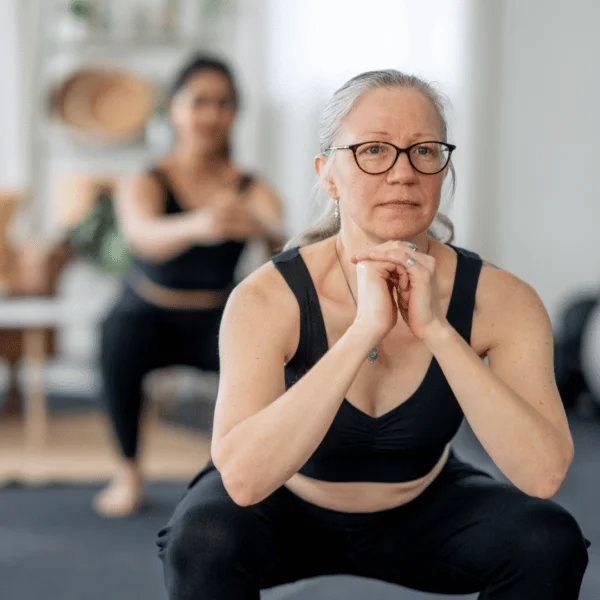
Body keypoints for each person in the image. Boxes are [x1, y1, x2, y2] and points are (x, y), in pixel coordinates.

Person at [156, 70, 589, 598]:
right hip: (281, 511)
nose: (403, 173)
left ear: (442, 167)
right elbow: (244, 481)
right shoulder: (266, 297)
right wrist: (364, 332)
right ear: (328, 174)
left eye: (424, 151)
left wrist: (437, 330)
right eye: (374, 151)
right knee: (202, 538)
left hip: (425, 512)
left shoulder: (502, 299)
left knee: (548, 541)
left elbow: (542, 476)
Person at [94, 55, 285, 518]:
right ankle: (129, 472)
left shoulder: (248, 185)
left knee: (275, 351)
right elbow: (142, 235)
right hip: (148, 312)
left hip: (216, 316)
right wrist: (198, 225)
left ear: (234, 113)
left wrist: (259, 224)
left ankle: (262, 469)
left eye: (223, 103)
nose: (211, 114)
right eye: (199, 102)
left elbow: (284, 242)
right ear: (174, 110)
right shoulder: (148, 178)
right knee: (115, 335)